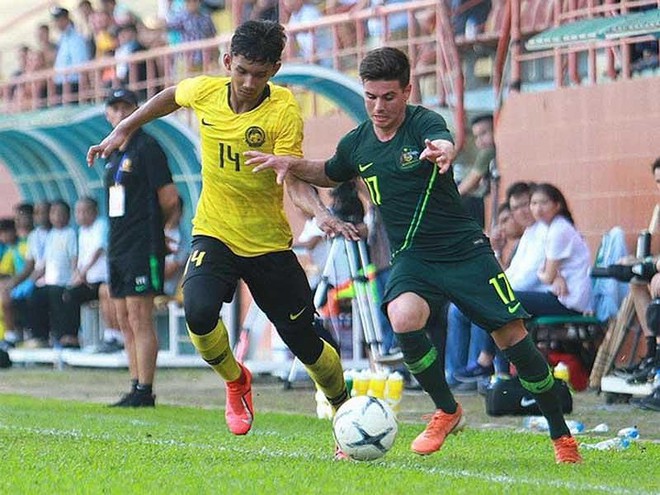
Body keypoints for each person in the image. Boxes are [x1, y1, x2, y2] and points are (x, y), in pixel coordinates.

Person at [245, 46, 582, 463]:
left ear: (406, 91)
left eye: (388, 97)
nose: (378, 106)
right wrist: (289, 164)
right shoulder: (358, 143)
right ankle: (447, 409)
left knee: (511, 338)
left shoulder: (423, 122)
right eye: (371, 96)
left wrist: (444, 152)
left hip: (464, 251)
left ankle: (561, 436)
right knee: (402, 317)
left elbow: (444, 140)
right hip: (413, 255)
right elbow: (328, 171)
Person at [87, 21, 357, 453]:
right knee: (197, 311)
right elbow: (169, 96)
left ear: (275, 69)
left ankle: (345, 410)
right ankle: (237, 380)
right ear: (228, 61)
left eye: (260, 73)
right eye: (243, 70)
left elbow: (293, 179)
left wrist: (320, 213)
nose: (249, 83)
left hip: (267, 242)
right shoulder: (206, 91)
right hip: (214, 231)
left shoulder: (283, 111)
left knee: (307, 344)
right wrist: (126, 128)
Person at [89, 87, 179, 407]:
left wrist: (160, 229)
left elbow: (170, 199)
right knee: (125, 316)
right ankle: (134, 382)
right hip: (118, 246)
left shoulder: (147, 148)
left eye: (126, 106)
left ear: (138, 110)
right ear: (107, 114)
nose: (120, 113)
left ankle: (146, 389)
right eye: (114, 108)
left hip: (143, 245)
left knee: (140, 315)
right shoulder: (113, 154)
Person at [454, 113, 495, 228]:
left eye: (484, 133)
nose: (480, 140)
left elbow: (467, 185)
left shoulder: (488, 152)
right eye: (476, 136)